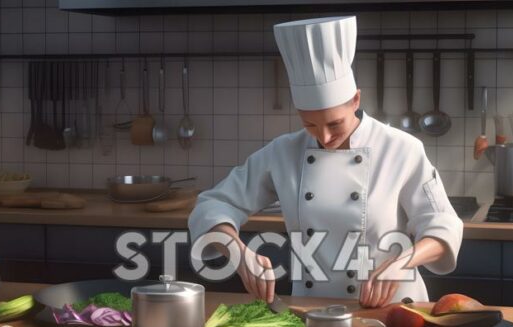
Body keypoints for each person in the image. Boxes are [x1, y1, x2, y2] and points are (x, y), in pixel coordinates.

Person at [188, 16, 463, 308]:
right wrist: (240, 255)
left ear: (356, 100)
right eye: (310, 125)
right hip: (313, 312)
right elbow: (211, 206)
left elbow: (443, 225)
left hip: (395, 311)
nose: (325, 136)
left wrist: (403, 263)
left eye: (335, 123)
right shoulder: (283, 152)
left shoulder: (401, 149)